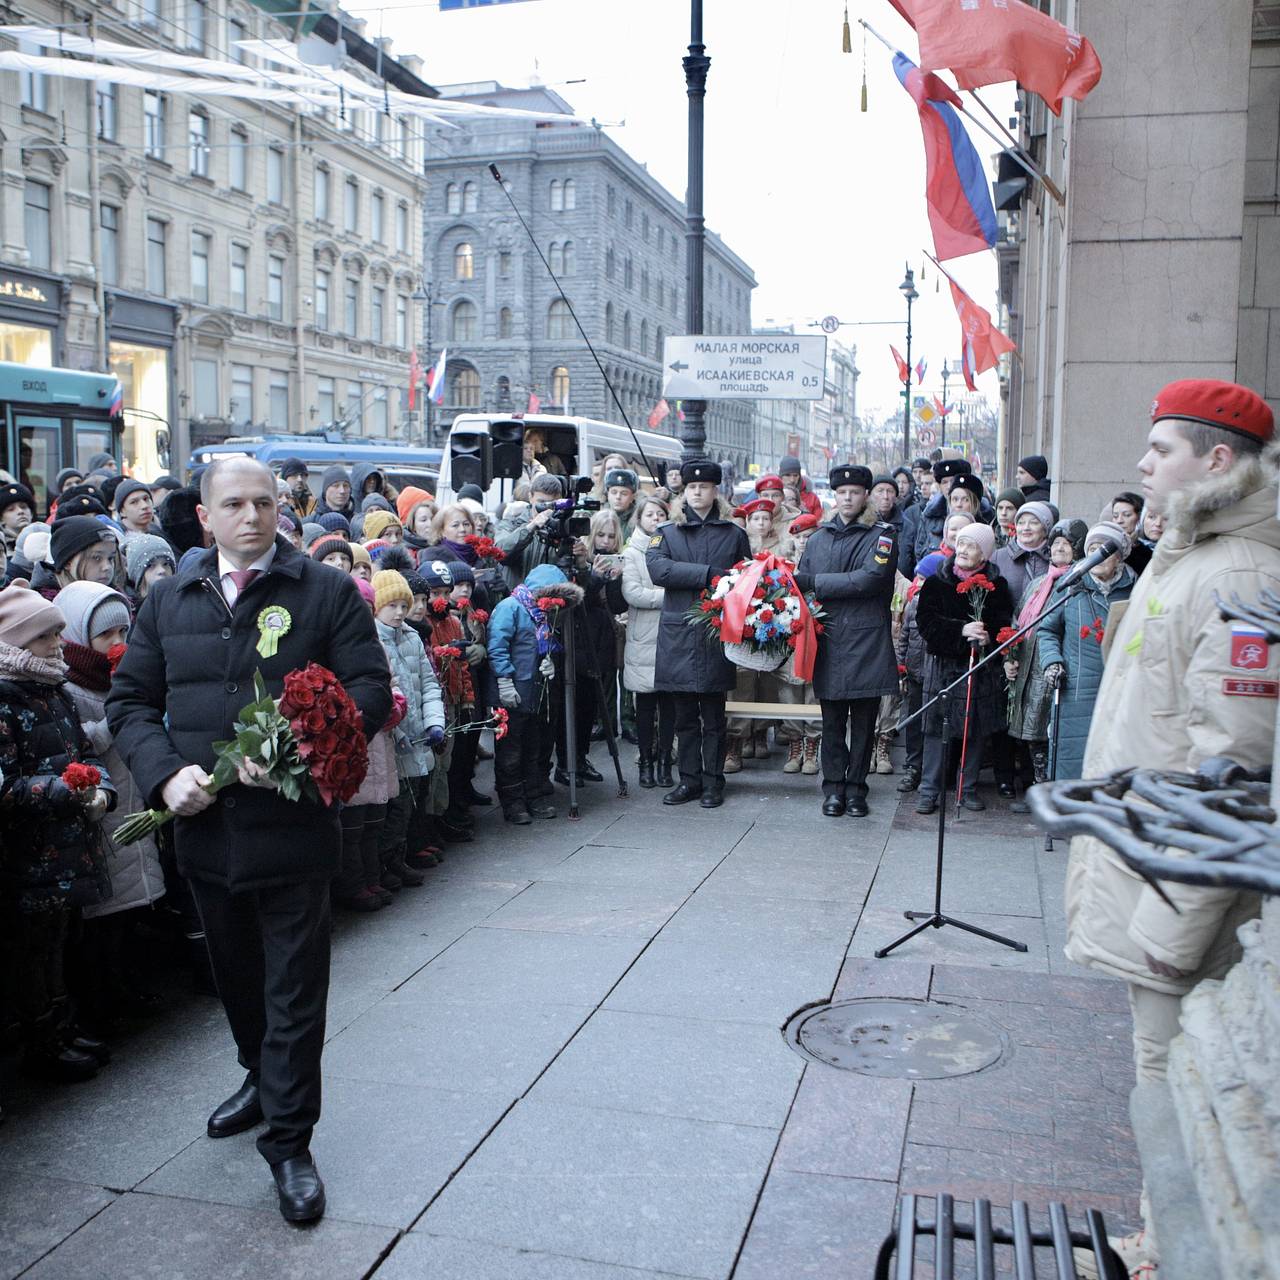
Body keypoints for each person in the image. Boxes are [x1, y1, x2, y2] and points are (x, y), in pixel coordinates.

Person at [106, 456, 392, 1225]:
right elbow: (131, 701)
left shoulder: (324, 590)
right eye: (233, 503)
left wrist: (301, 746)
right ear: (205, 516)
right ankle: (257, 1076)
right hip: (206, 831)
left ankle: (290, 1141)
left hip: (294, 831)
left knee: (295, 990)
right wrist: (165, 776)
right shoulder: (167, 599)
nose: (252, 516)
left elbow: (368, 689)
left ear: (281, 508)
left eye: (264, 502)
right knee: (234, 976)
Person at [1062, 380, 1280, 1276]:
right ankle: (1163, 1239)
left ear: (1217, 461)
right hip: (1148, 867)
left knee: (1175, 1080)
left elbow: (1233, 774)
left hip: (1177, 895)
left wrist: (1171, 926)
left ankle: (1169, 1254)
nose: (1143, 466)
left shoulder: (1238, 576)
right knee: (1161, 1074)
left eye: (1161, 451)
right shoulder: (1187, 554)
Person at [0, 584, 114, 1084]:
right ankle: (43, 1040)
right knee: (32, 951)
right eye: (46, 637)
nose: (58, 645)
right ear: (19, 644)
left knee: (57, 941)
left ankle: (63, 1029)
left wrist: (99, 788)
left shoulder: (56, 689)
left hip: (66, 846)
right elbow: (6, 785)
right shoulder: (6, 701)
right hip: (31, 853)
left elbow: (84, 755)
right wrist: (66, 790)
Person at [57, 581, 167, 1031]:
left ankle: (131, 986)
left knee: (135, 908)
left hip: (135, 801)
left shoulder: (129, 673)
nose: (119, 644)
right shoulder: (70, 687)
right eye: (107, 636)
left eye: (125, 632)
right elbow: (80, 745)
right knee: (104, 919)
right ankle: (104, 1000)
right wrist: (119, 715)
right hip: (103, 809)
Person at [793, 465, 898, 818]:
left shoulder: (882, 535)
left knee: (864, 723)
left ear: (866, 495)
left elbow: (869, 579)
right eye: (842, 493)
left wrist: (817, 581)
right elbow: (801, 586)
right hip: (830, 639)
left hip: (867, 640)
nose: (848, 498)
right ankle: (833, 788)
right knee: (833, 722)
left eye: (855, 492)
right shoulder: (819, 538)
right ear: (834, 497)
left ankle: (857, 789)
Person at [647, 459, 751, 808]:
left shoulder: (733, 533)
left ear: (714, 490)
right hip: (679, 633)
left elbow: (746, 578)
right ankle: (688, 780)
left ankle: (713, 781)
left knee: (714, 717)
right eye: (691, 487)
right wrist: (708, 573)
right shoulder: (667, 531)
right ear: (683, 491)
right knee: (683, 718)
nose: (697, 492)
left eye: (703, 487)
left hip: (714, 634)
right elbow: (658, 570)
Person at [913, 523, 1014, 814]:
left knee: (974, 730)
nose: (963, 549)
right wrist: (960, 630)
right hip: (944, 667)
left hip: (980, 669)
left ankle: (966, 788)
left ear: (984, 554)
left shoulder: (997, 586)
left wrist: (987, 636)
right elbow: (926, 624)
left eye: (971, 545)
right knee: (935, 731)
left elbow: (1003, 624)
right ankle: (929, 790)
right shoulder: (936, 582)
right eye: (961, 543)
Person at [1036, 521, 1137, 783]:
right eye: (1092, 548)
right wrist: (1052, 662)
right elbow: (1047, 630)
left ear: (1119, 556)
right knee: (1071, 761)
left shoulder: (1136, 589)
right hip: (1077, 690)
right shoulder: (1072, 587)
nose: (1098, 555)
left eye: (1105, 549)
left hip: (1121, 689)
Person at [1001, 518, 1085, 813]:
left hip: (1056, 668)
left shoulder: (1079, 583)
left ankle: (1051, 796)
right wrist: (1010, 656)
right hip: (1027, 666)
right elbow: (1018, 618)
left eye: (1067, 544)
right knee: (1031, 736)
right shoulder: (1040, 582)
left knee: (1050, 735)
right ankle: (1038, 793)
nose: (1060, 549)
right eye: (1057, 543)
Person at [488, 563, 582, 823]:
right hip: (512, 693)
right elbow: (498, 646)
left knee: (533, 748)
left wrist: (549, 660)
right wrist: (504, 680)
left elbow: (546, 644)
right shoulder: (511, 608)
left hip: (534, 693)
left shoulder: (544, 615)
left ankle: (533, 794)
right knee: (510, 752)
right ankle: (512, 801)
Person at [621, 494, 674, 789]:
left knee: (669, 705)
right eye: (650, 515)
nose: (655, 519)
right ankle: (645, 761)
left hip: (670, 634)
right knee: (645, 704)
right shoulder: (632, 553)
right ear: (639, 519)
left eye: (660, 514)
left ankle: (666, 761)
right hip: (643, 636)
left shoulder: (674, 546)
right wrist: (670, 597)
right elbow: (633, 593)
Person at [894, 552, 946, 794]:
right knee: (913, 722)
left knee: (935, 724)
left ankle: (935, 771)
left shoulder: (945, 604)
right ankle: (912, 766)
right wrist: (902, 669)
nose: (919, 584)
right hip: (915, 673)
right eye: (918, 579)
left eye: (925, 580)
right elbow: (904, 637)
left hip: (938, 676)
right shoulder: (914, 603)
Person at [123, 533, 176, 607]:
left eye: (166, 564)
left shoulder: (179, 601)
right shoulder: (129, 608)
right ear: (137, 573)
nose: (161, 570)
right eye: (150, 565)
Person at [1109, 490, 1152, 576]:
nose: (1119, 521)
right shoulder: (1105, 546)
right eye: (1115, 516)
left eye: (1127, 515)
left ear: (1140, 518)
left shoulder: (1147, 551)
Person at [604, 468, 640, 540]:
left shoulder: (639, 519)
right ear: (607, 494)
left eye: (624, 493)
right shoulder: (599, 516)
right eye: (614, 492)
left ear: (633, 497)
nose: (618, 497)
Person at [0, 482, 35, 557]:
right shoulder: (2, 547)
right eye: (11, 509)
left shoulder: (46, 540)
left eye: (24, 507)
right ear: (1, 519)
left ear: (31, 514)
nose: (20, 511)